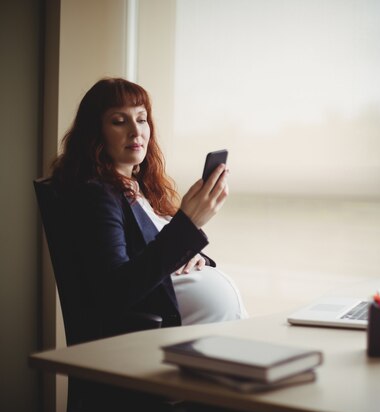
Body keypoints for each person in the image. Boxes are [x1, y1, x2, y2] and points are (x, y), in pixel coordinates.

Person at [51, 77, 247, 342]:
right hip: (164, 345)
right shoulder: (97, 195)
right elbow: (116, 289)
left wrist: (193, 256)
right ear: (95, 133)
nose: (136, 131)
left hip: (210, 335)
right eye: (119, 121)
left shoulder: (141, 188)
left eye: (141, 119)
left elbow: (157, 252)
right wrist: (187, 225)